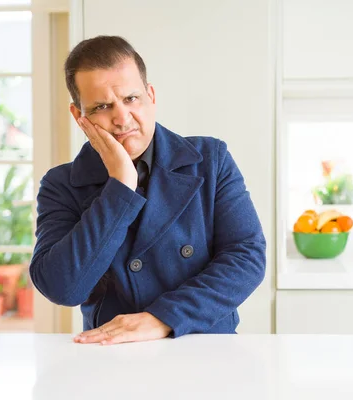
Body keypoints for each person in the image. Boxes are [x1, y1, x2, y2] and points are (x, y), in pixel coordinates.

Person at [29, 35, 266, 345]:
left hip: (205, 345)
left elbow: (246, 257)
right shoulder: (62, 184)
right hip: (112, 357)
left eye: (131, 98)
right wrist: (120, 187)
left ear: (151, 96)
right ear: (79, 116)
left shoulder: (210, 159)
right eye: (102, 106)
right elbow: (62, 288)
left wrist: (163, 318)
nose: (122, 118)